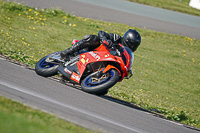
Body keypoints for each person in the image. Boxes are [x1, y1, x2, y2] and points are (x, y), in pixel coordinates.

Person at [60, 29, 141, 60]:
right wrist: (105, 39)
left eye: (135, 46)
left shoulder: (126, 54)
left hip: (104, 61)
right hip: (93, 53)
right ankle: (66, 52)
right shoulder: (117, 38)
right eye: (132, 44)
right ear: (127, 40)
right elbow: (101, 32)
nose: (132, 47)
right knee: (94, 39)